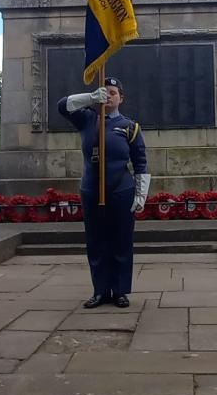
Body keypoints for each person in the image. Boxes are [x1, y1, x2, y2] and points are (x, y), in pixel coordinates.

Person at [58, 77, 149, 309]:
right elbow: (62, 106)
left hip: (121, 189)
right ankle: (100, 291)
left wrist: (141, 195)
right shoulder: (88, 119)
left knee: (121, 241)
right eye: (105, 92)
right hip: (91, 188)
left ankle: (119, 291)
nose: (109, 96)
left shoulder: (130, 127)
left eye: (113, 93)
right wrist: (90, 98)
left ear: (121, 98)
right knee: (96, 242)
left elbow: (140, 163)